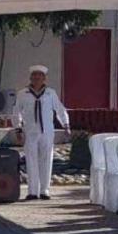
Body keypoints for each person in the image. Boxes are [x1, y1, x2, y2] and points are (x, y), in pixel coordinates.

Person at [14, 65, 70, 200]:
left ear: (44, 78)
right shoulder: (23, 93)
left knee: (46, 159)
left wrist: (66, 125)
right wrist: (18, 128)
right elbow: (16, 112)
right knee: (31, 160)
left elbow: (60, 109)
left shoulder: (50, 93)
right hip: (30, 131)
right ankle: (32, 191)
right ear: (30, 77)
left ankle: (45, 190)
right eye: (34, 75)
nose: (36, 78)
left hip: (47, 131)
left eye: (40, 75)